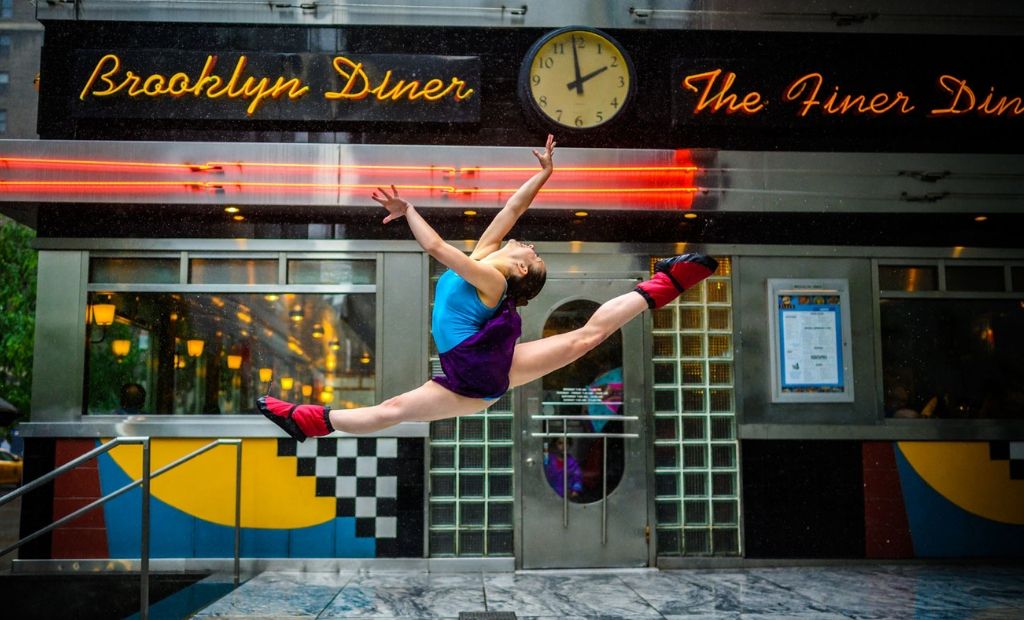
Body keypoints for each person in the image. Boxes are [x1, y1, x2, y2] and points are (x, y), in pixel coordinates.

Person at [258, 135, 719, 440]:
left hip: (474, 376)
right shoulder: (486, 256)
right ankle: (307, 422)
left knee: (583, 338)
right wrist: (543, 175)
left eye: (533, 256)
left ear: (519, 272)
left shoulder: (492, 280)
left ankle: (670, 280)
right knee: (393, 410)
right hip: (479, 376)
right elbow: (512, 211)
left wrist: (409, 209)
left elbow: (437, 247)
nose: (530, 245)